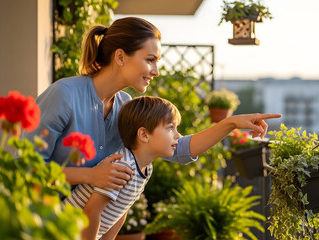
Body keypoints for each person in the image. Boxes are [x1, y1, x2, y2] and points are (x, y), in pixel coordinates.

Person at [23, 17, 281, 238]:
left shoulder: (125, 106)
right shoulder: (64, 95)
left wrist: (231, 123)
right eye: (150, 60)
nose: (156, 71)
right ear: (121, 57)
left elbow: (177, 148)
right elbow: (24, 166)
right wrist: (90, 176)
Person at [64, 96, 182, 239]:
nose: (178, 135)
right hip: (63, 230)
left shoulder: (146, 168)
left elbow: (121, 211)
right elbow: (92, 211)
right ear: (144, 135)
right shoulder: (123, 166)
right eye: (170, 128)